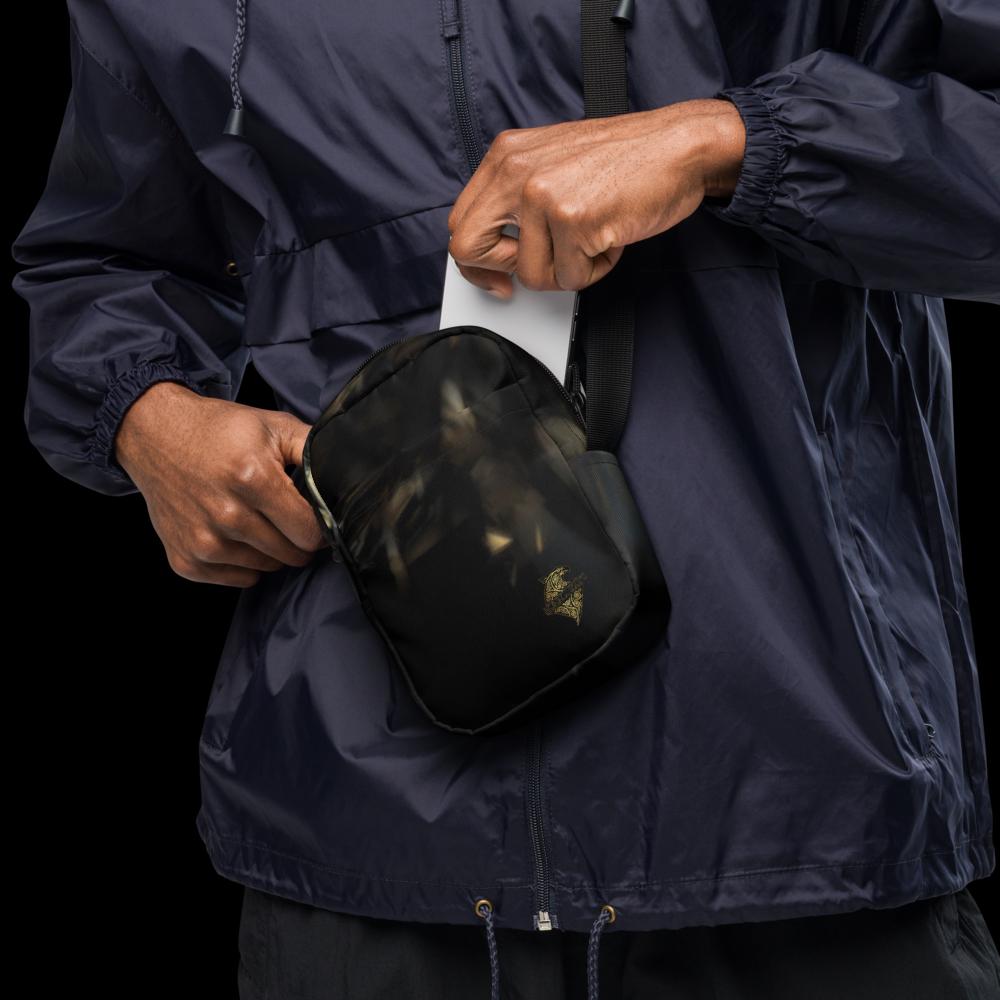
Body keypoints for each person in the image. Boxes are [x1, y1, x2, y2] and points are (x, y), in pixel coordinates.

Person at [11, 1, 1000, 998]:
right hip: (368, 838)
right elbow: (102, 257)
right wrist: (147, 417)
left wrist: (723, 140)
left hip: (800, 812)